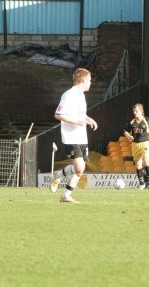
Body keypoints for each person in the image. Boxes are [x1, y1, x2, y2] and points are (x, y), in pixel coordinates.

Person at [50, 68, 98, 204]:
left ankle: (61, 183)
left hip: (82, 136)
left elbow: (80, 114)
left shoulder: (81, 95)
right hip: (71, 137)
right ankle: (65, 193)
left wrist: (89, 119)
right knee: (79, 168)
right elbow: (58, 114)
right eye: (89, 80)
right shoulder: (69, 95)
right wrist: (76, 121)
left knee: (80, 169)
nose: (90, 83)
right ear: (82, 80)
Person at [123, 103, 149, 189]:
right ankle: (142, 183)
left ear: (141, 111)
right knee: (138, 165)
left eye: (136, 111)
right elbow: (125, 130)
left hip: (145, 143)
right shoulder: (132, 122)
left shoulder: (147, 120)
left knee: (146, 160)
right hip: (135, 145)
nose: (135, 113)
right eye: (134, 111)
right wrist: (128, 136)